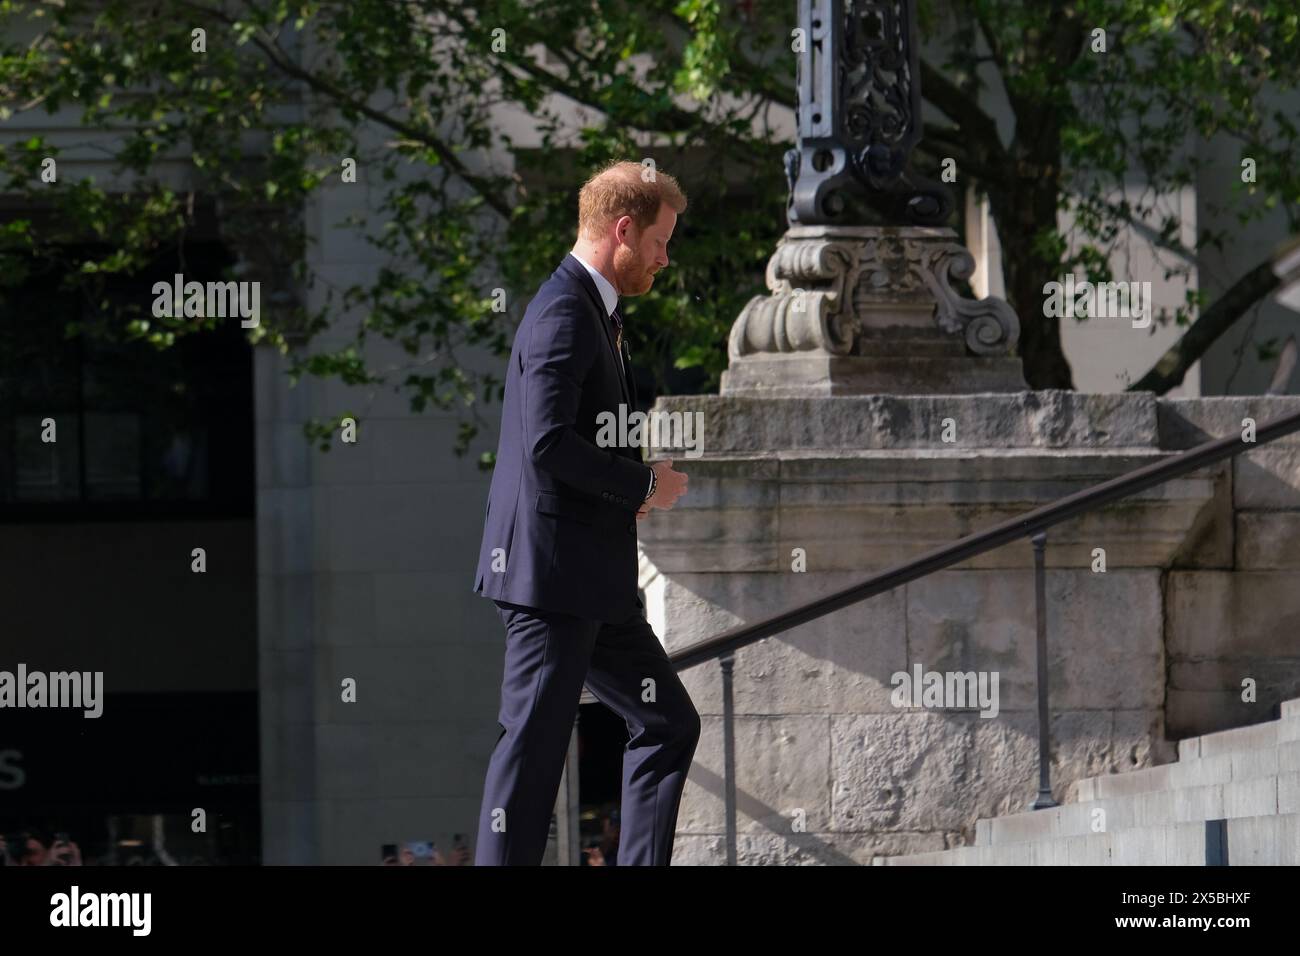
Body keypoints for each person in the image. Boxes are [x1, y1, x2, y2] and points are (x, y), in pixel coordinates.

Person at [472, 160, 701, 866]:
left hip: (590, 582)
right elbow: (547, 442)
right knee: (532, 753)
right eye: (660, 241)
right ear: (622, 229)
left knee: (667, 722)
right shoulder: (566, 310)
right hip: (552, 581)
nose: (666, 257)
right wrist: (640, 486)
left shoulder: (590, 309)